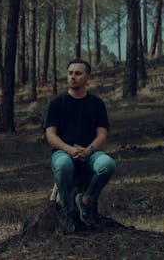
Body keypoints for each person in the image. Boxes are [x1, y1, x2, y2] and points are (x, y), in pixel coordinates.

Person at [44, 58, 116, 232]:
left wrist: (88, 150)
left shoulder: (97, 104)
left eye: (78, 73)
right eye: (70, 73)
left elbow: (102, 135)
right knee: (62, 165)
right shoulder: (57, 103)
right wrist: (68, 149)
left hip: (90, 154)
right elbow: (50, 135)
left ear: (87, 78)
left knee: (107, 164)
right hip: (62, 152)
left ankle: (86, 201)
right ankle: (67, 211)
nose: (73, 77)